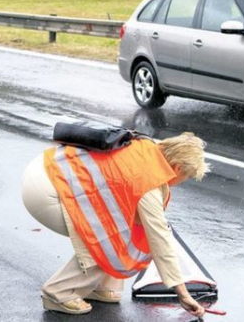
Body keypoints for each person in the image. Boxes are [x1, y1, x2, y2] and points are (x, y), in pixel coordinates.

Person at [22, 132, 210, 317]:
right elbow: (159, 239)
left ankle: (98, 285)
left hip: (48, 168)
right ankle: (58, 293)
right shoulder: (150, 181)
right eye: (186, 177)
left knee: (119, 226)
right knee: (112, 238)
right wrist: (182, 294)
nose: (181, 182)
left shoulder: (147, 148)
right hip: (47, 191)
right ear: (177, 168)